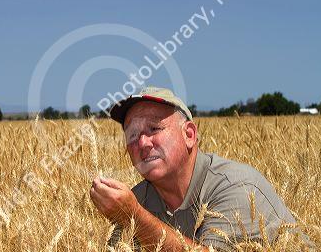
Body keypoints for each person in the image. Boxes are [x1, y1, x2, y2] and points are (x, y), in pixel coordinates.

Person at [89, 86, 296, 251]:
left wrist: (134, 216)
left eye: (154, 128)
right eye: (132, 135)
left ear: (189, 135)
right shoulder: (137, 198)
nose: (142, 143)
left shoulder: (235, 186)